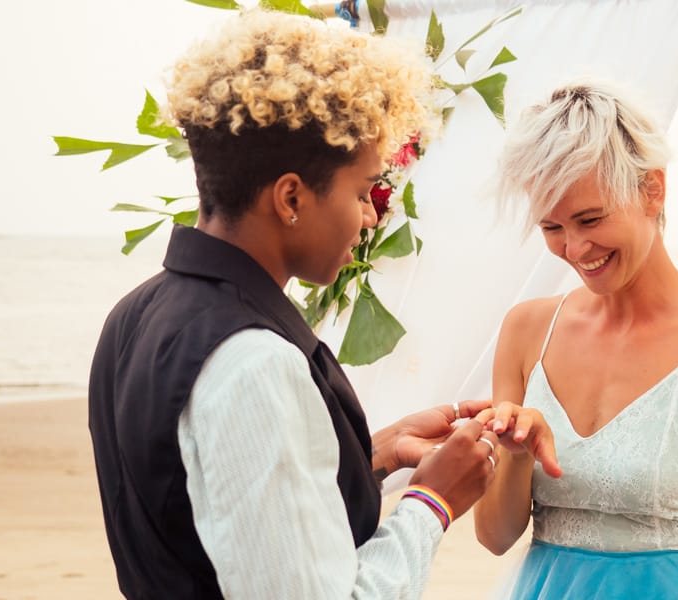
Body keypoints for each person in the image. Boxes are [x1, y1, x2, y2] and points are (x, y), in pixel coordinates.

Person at [87, 10, 559, 599]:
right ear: (291, 197)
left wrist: (374, 454)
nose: (369, 217)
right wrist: (432, 502)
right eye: (362, 191)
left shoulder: (131, 318)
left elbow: (209, 506)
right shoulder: (252, 360)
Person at [473, 80, 678, 599]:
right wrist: (515, 453)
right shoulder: (526, 329)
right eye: (552, 227)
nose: (575, 248)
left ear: (653, 189)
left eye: (590, 218)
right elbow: (494, 535)